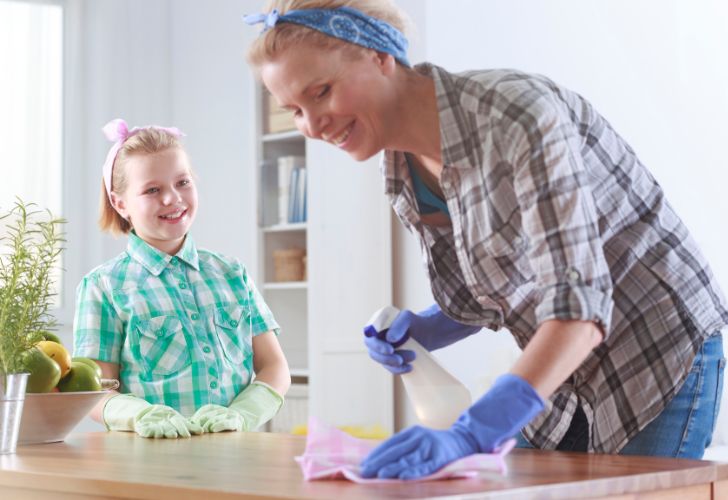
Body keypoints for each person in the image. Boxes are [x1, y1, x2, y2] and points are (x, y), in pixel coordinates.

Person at [244, 0, 728, 478]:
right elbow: (494, 291)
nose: (312, 125)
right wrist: (428, 327)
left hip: (655, 348)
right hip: (565, 366)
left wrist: (472, 431)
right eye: (294, 111)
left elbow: (579, 305)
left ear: (379, 55)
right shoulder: (399, 166)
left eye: (322, 92)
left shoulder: (518, 117)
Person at [73, 118, 290, 439]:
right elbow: (95, 392)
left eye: (183, 183)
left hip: (238, 454)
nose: (172, 198)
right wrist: (140, 415)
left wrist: (243, 414)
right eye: (152, 189)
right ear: (120, 203)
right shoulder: (103, 287)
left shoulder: (232, 274)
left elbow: (275, 367)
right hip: (149, 463)